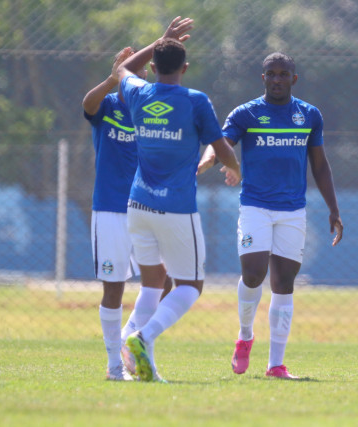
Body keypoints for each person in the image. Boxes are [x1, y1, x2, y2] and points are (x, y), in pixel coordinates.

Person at [198, 52, 343, 379]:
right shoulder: (246, 113)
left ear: (294, 78)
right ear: (262, 78)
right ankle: (245, 336)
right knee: (253, 274)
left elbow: (319, 165)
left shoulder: (309, 115)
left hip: (293, 210)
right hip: (255, 206)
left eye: (283, 74)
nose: (277, 79)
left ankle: (276, 365)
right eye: (271, 74)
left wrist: (334, 209)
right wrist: (207, 161)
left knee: (284, 283)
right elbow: (221, 144)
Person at [117, 17, 241, 382]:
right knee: (189, 286)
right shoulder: (196, 100)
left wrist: (159, 40)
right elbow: (222, 149)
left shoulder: (139, 91)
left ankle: (135, 358)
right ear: (185, 68)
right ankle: (143, 337)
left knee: (153, 284)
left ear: (153, 67)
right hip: (175, 210)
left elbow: (122, 68)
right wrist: (235, 170)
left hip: (137, 205)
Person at [82, 46, 173, 381]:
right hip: (110, 209)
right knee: (114, 289)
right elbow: (87, 105)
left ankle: (129, 338)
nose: (135, 78)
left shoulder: (152, 111)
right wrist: (110, 78)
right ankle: (114, 366)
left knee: (165, 277)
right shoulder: (107, 106)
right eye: (126, 71)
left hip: (147, 208)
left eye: (141, 72)